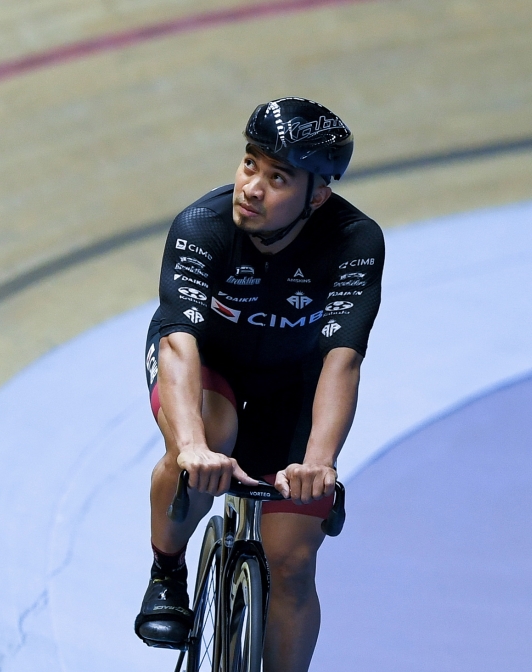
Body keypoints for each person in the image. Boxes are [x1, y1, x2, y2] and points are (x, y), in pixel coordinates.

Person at [134, 97, 384, 671]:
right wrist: (193, 445)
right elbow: (178, 344)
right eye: (250, 164)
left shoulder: (354, 242)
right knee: (209, 435)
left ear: (317, 195)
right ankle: (166, 572)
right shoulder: (201, 226)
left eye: (278, 178)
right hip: (210, 366)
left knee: (292, 561)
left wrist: (319, 462)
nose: (252, 186)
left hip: (292, 381)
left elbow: (341, 361)